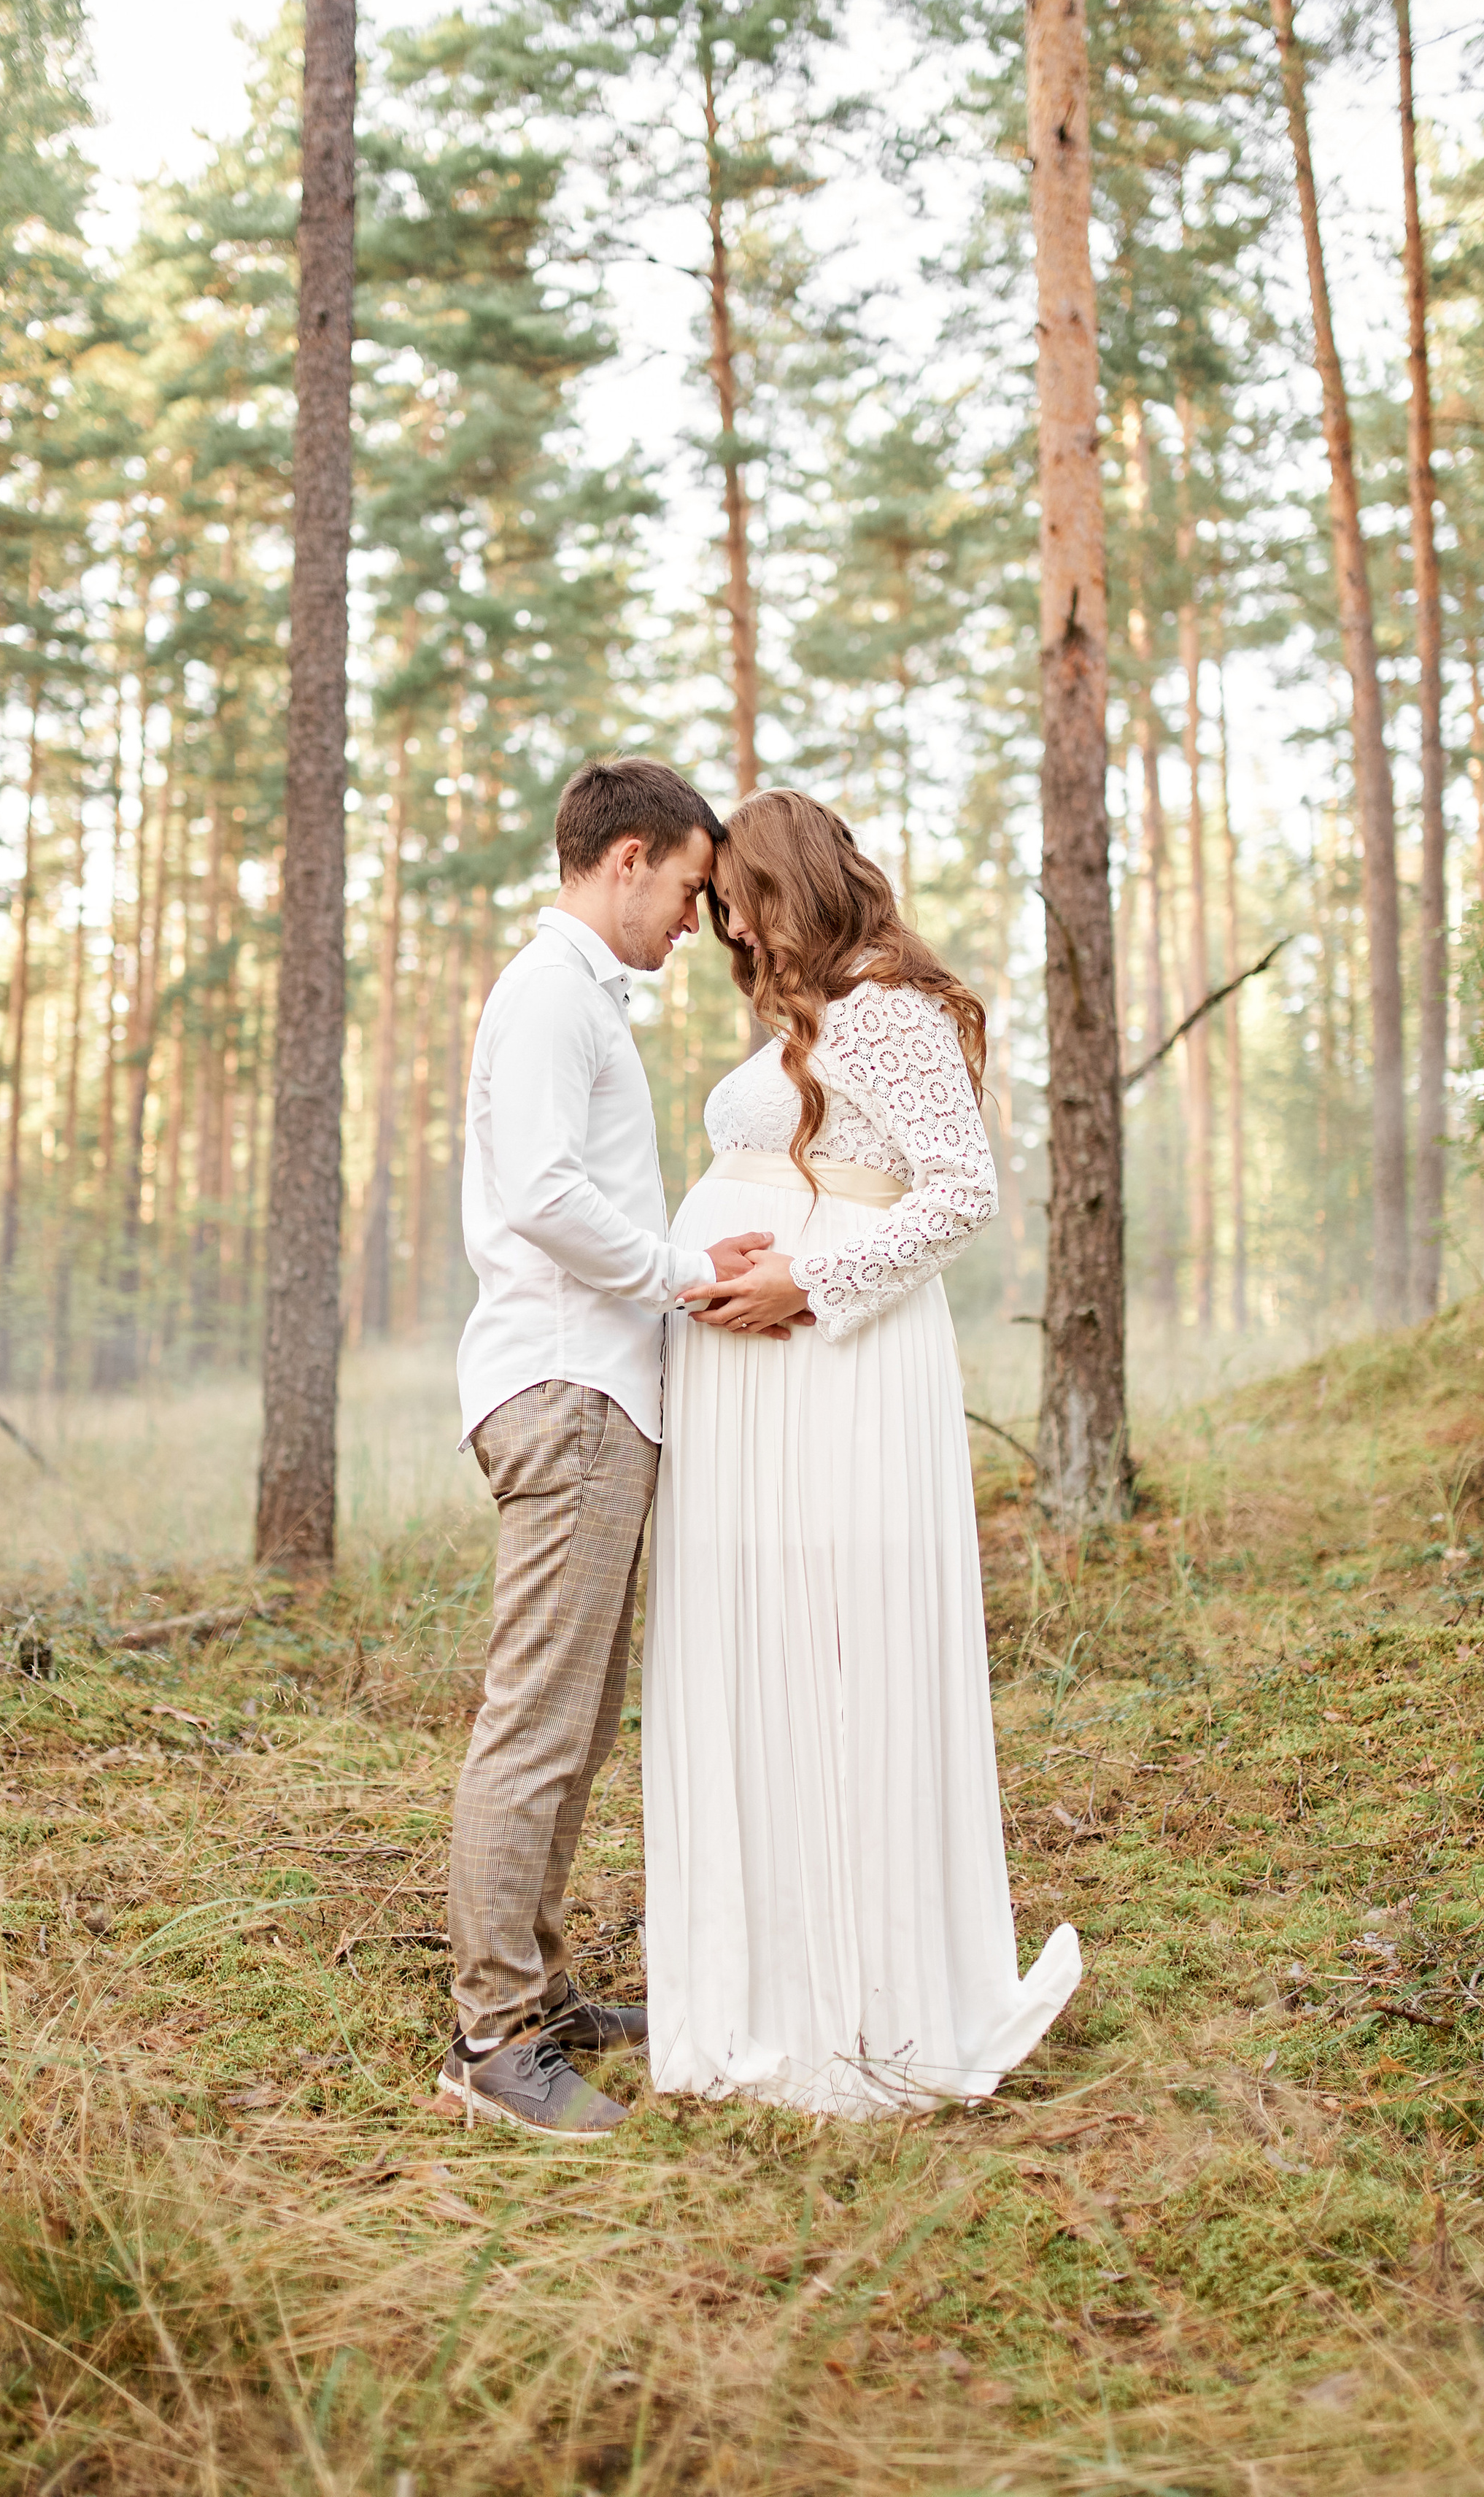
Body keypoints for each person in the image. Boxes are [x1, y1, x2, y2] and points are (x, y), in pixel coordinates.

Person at [643, 788, 1081, 2116]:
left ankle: (860, 2004)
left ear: (799, 887)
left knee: (835, 1657)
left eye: (743, 901)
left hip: (835, 1377)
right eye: (716, 906)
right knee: (760, 1656)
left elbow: (961, 1193)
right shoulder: (812, 1021)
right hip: (760, 1397)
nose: (729, 927)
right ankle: (765, 1983)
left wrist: (811, 1285)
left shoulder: (885, 1010)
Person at [443, 757, 772, 2137]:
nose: (698, 921)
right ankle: (492, 2041)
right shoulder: (545, 996)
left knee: (571, 1730)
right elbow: (541, 1194)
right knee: (535, 1726)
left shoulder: (583, 1002)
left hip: (601, 1397)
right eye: (694, 889)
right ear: (626, 858)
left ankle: (544, 1990)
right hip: (567, 1391)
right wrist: (683, 1270)